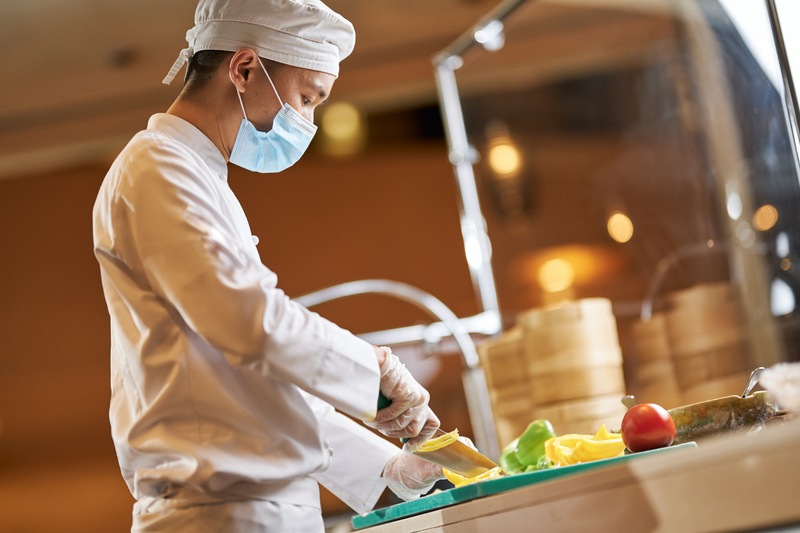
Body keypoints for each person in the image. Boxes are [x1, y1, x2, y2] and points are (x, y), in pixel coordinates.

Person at [92, 0, 444, 531]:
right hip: (219, 513)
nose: (306, 121)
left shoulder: (197, 175)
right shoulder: (157, 169)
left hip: (253, 508)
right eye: (306, 98)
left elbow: (249, 377)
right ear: (245, 68)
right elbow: (252, 323)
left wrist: (384, 464)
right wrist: (375, 368)